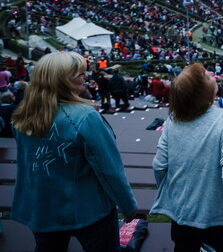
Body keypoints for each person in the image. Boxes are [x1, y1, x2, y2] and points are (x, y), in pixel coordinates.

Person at [11, 51, 137, 251]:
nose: (86, 77)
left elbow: (27, 168)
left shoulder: (22, 117)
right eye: (80, 74)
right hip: (89, 211)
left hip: (43, 209)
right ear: (63, 81)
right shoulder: (86, 117)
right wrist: (128, 206)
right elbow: (109, 169)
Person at [150, 63, 223, 252]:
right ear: (201, 92)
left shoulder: (172, 120)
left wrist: (174, 195)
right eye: (206, 76)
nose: (212, 73)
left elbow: (159, 165)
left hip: (181, 217)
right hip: (218, 220)